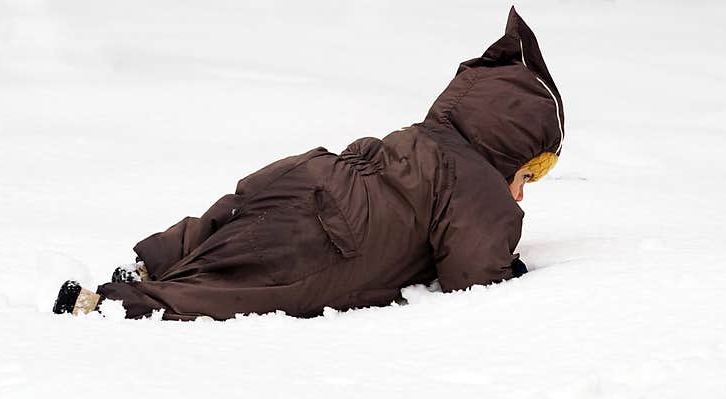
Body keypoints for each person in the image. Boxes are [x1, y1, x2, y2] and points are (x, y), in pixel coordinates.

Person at [53, 7, 564, 320]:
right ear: (506, 148)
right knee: (251, 291)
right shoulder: (480, 186)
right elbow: (473, 276)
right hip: (336, 233)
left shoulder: (426, 137)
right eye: (525, 176)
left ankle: (157, 258)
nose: (519, 192)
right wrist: (508, 265)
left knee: (229, 222)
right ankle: (118, 307)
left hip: (310, 172)